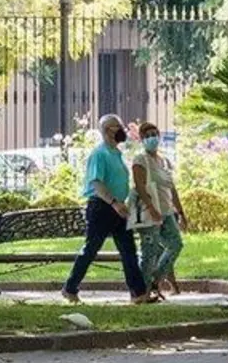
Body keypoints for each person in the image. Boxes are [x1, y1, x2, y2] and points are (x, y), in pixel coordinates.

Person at [63, 114, 150, 305]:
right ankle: (70, 288)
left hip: (118, 207)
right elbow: (96, 183)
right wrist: (114, 203)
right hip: (103, 207)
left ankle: (139, 293)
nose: (121, 130)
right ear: (106, 131)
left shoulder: (115, 153)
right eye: (116, 127)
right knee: (91, 249)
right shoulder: (99, 154)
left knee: (128, 250)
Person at [132, 122, 187, 297]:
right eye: (147, 136)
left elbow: (172, 188)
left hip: (167, 211)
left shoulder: (164, 161)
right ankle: (143, 290)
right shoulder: (140, 160)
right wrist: (151, 207)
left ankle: (156, 279)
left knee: (176, 244)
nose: (152, 138)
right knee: (149, 251)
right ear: (141, 139)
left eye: (154, 134)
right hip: (149, 212)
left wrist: (181, 212)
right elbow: (139, 186)